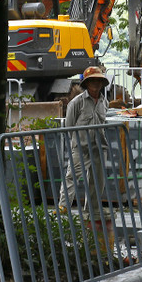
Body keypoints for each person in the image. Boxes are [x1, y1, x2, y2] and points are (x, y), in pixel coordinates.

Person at [57, 66, 109, 212]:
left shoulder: (104, 102)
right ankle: (63, 206)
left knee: (97, 181)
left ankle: (92, 209)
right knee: (71, 177)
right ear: (86, 83)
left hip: (99, 147)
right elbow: (69, 125)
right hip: (81, 147)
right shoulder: (77, 103)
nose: (96, 84)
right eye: (92, 81)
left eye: (99, 80)